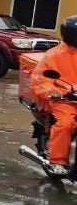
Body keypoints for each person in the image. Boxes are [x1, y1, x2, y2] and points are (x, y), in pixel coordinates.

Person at [29, 15, 77, 173]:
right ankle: (58, 161)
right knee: (66, 124)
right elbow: (40, 79)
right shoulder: (55, 55)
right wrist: (55, 92)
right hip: (63, 101)